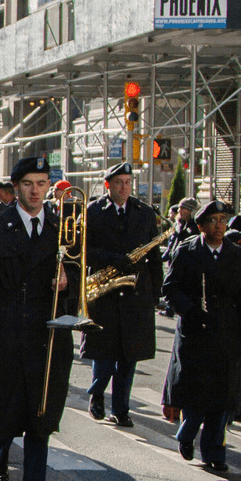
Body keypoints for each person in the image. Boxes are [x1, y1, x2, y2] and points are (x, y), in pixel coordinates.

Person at [0, 155, 79, 481]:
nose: (35, 190)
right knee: (8, 408)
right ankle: (0, 450)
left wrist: (67, 284)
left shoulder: (63, 230)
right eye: (28, 183)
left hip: (47, 337)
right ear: (16, 187)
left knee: (41, 417)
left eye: (42, 183)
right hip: (6, 333)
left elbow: (77, 283)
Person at [163, 201, 241, 472]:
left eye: (222, 220)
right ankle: (187, 434)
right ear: (201, 226)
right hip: (195, 331)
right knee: (195, 392)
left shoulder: (237, 256)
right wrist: (190, 310)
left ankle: (215, 452)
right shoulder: (187, 251)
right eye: (212, 220)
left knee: (223, 395)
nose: (218, 225)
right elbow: (171, 288)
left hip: (225, 331)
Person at [82, 162, 162, 427]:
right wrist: (114, 259)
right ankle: (96, 395)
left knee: (129, 356)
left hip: (135, 293)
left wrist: (155, 292)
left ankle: (121, 408)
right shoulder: (93, 211)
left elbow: (155, 257)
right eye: (119, 182)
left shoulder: (145, 212)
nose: (125, 187)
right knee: (103, 353)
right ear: (108, 185)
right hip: (104, 292)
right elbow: (84, 250)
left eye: (128, 182)